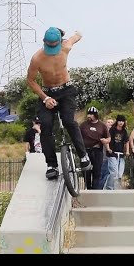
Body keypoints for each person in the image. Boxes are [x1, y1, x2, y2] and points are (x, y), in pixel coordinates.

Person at [26, 27, 92, 179]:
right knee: (46, 125)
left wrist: (74, 34)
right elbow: (30, 80)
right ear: (44, 43)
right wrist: (45, 98)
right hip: (47, 93)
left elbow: (78, 35)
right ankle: (51, 165)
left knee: (69, 121)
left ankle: (83, 156)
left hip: (66, 90)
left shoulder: (66, 46)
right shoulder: (37, 58)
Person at [79, 107, 109, 189]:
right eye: (88, 114)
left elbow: (108, 138)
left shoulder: (102, 126)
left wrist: (105, 141)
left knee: (97, 172)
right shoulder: (83, 125)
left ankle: (95, 190)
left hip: (97, 151)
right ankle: (88, 188)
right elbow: (78, 137)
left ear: (95, 115)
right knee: (86, 171)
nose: (89, 116)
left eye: (91, 114)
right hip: (86, 151)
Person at [104, 115, 130, 190]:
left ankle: (113, 187)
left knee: (119, 174)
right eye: (119, 121)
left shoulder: (124, 131)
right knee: (113, 172)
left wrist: (127, 151)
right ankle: (109, 188)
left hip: (121, 154)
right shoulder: (112, 130)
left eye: (122, 121)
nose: (121, 123)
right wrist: (108, 148)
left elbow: (127, 141)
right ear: (117, 121)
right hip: (112, 153)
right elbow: (107, 139)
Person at [100, 117, 114, 189]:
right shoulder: (103, 133)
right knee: (103, 174)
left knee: (109, 174)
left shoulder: (113, 133)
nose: (110, 123)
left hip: (111, 157)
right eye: (108, 122)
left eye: (112, 122)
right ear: (105, 124)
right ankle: (100, 189)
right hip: (104, 157)